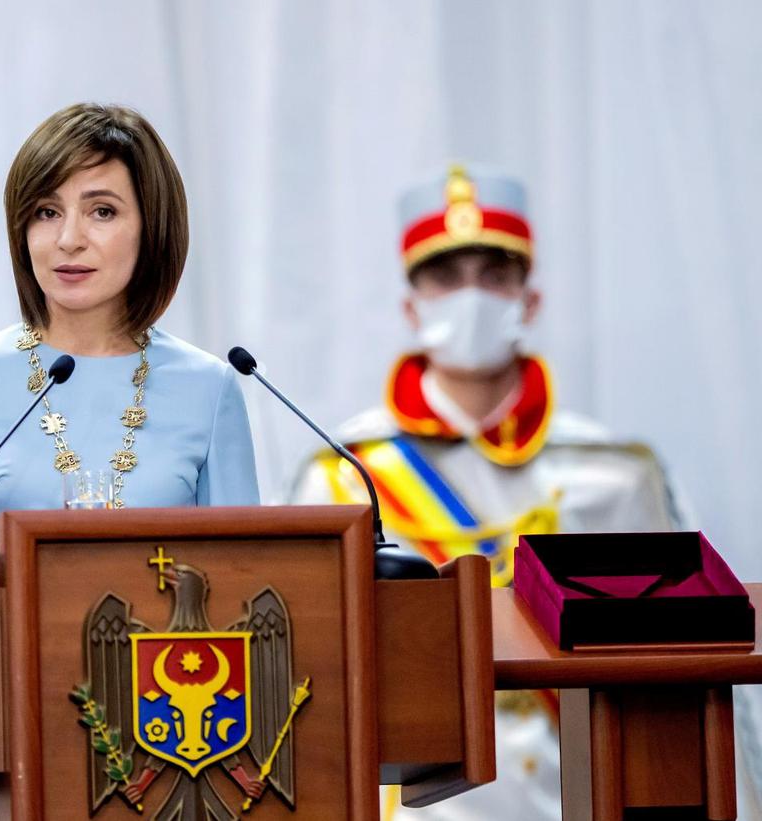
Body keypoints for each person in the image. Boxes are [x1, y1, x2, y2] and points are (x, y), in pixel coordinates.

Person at [292, 165, 690, 821]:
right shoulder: (342, 471)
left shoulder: (611, 472)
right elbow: (309, 684)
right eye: (445, 277)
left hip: (570, 794)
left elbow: (668, 680)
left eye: (494, 275)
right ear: (411, 307)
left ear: (528, 300)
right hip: (404, 801)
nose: (470, 296)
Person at [0, 103, 260, 819]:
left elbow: (247, 590)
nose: (67, 239)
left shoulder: (211, 387)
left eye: (100, 210)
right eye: (44, 211)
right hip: (1, 756)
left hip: (172, 762)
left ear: (149, 225)